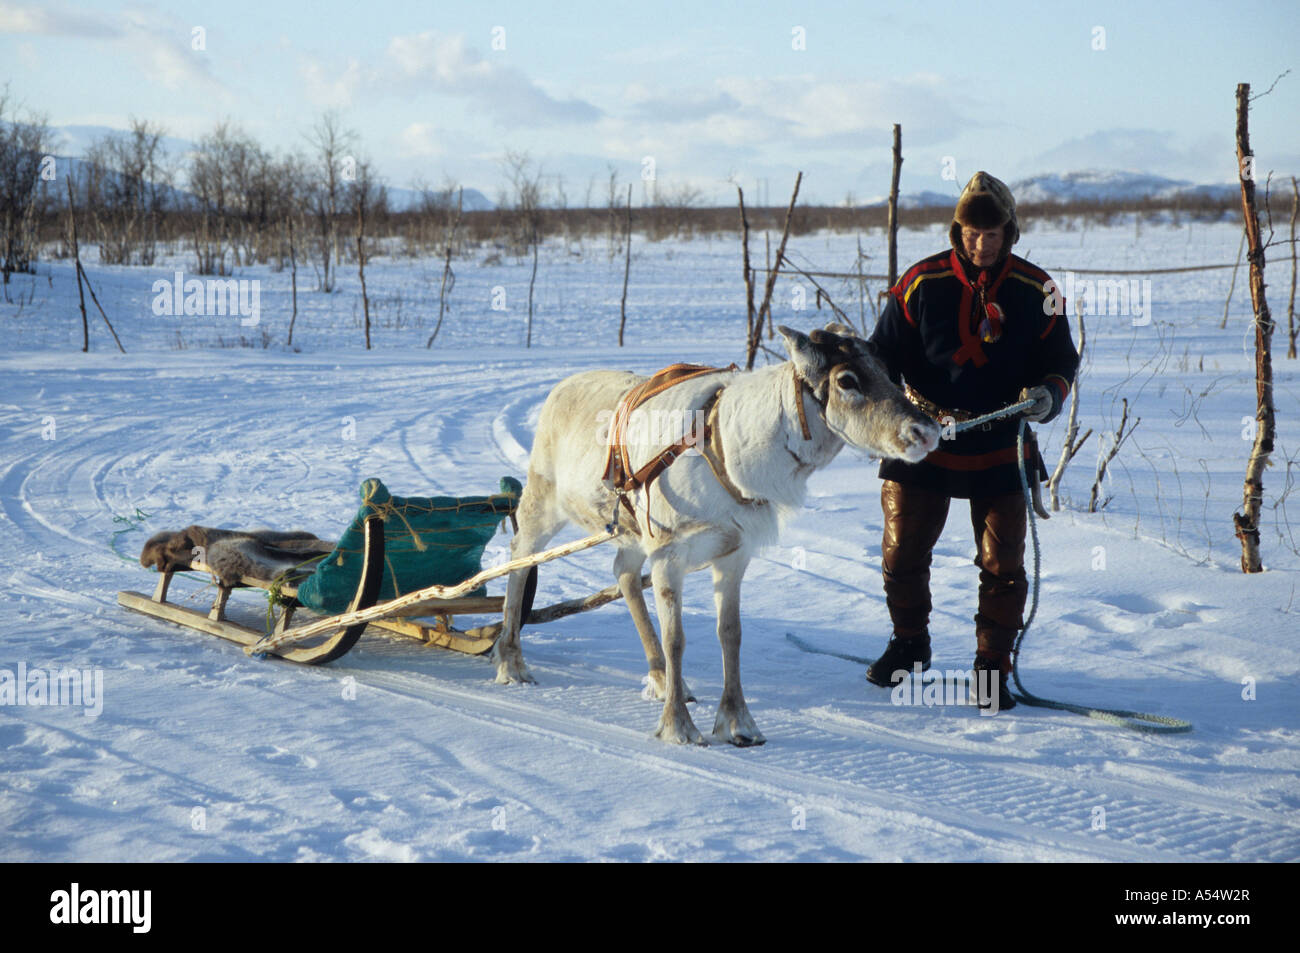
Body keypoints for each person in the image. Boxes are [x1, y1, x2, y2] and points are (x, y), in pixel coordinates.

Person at [864, 171, 1079, 711]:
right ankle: (909, 645)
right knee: (902, 553)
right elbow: (882, 356)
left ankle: (990, 671)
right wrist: (885, 404)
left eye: (993, 234)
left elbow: (1061, 361)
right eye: (971, 233)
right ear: (956, 231)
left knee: (1003, 566)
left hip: (1003, 443)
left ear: (1011, 232)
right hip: (924, 439)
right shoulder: (919, 283)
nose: (981, 245)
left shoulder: (1040, 291)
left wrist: (1049, 396)